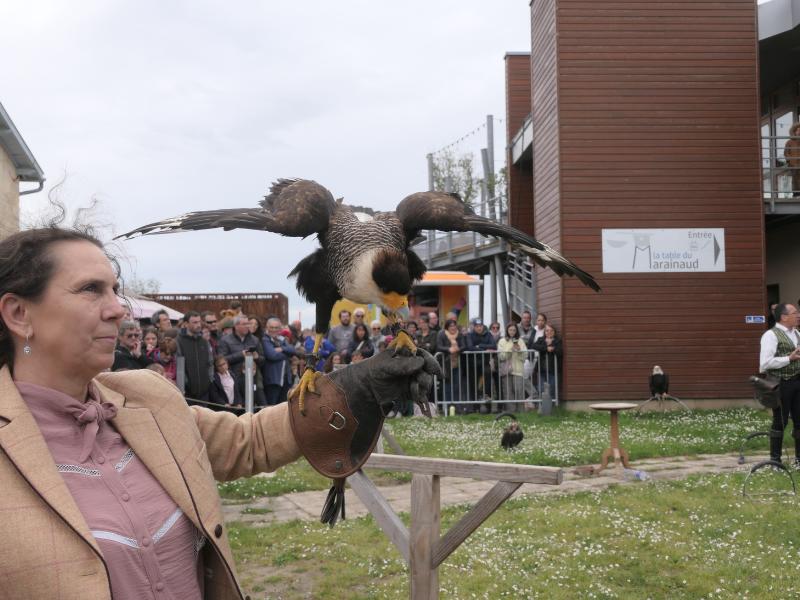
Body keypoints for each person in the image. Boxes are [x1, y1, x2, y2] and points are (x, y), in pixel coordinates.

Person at [0, 226, 304, 598]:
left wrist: (348, 393)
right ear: (19, 314)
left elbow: (247, 441)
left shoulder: (146, 397)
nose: (117, 309)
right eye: (91, 289)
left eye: (114, 289)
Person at [759, 302, 800, 464]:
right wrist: (788, 358)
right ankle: (775, 460)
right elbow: (765, 363)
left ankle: (799, 460)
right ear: (784, 317)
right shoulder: (771, 335)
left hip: (797, 382)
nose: (798, 315)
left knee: (799, 421)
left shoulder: (797, 333)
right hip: (781, 384)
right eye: (795, 313)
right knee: (780, 422)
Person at [217, 315, 265, 397]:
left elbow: (263, 360)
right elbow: (221, 360)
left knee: (260, 403)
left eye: (248, 324)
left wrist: (257, 357)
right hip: (233, 380)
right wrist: (240, 355)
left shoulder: (254, 340)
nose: (247, 326)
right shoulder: (225, 340)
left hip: (252, 380)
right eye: (244, 324)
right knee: (238, 405)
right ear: (236, 326)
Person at [176, 310, 214, 401]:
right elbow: (179, 365)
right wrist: (186, 384)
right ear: (186, 324)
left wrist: (209, 380)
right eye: (195, 322)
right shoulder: (179, 341)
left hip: (204, 392)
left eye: (199, 322)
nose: (199, 325)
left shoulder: (204, 341)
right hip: (187, 393)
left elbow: (210, 362)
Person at [262, 317, 297, 404]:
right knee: (272, 407)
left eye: (276, 327)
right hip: (273, 380)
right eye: (271, 327)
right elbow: (272, 355)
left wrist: (281, 349)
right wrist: (287, 354)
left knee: (283, 406)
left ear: (280, 329)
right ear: (267, 327)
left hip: (285, 379)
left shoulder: (282, 339)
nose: (274, 330)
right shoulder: (265, 339)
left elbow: (293, 350)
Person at [436, 318, 467, 410]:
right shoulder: (442, 334)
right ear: (447, 327)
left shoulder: (459, 334)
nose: (453, 327)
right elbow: (439, 346)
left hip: (457, 364)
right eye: (450, 326)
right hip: (446, 364)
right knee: (447, 386)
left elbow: (464, 346)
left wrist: (458, 349)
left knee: (457, 386)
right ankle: (447, 407)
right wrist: (448, 349)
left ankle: (456, 407)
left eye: (454, 325)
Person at [497, 322, 528, 407]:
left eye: (514, 330)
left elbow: (525, 356)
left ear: (516, 331)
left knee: (519, 391)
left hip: (518, 370)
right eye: (510, 330)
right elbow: (501, 356)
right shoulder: (502, 341)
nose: (512, 332)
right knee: (508, 392)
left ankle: (521, 411)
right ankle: (510, 411)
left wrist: (519, 351)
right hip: (506, 370)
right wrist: (510, 350)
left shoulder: (520, 341)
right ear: (507, 330)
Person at [467, 318, 496, 403]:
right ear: (474, 327)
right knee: (473, 385)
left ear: (483, 326)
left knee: (488, 381)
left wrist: (480, 346)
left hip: (485, 362)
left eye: (480, 326)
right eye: (477, 326)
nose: (479, 328)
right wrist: (484, 350)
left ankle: (488, 403)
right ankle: (475, 406)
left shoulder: (488, 334)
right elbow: (470, 347)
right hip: (473, 364)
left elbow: (494, 346)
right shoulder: (470, 335)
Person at [532, 323, 563, 396]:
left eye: (551, 330)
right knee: (541, 388)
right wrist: (546, 348)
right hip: (541, 369)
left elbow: (560, 351)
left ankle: (552, 403)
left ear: (554, 332)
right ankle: (542, 402)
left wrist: (552, 347)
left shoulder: (557, 341)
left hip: (553, 370)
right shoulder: (541, 339)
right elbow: (534, 346)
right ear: (544, 332)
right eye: (547, 330)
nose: (549, 332)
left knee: (552, 389)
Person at [785, 122, 800, 197]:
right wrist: (790, 161)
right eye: (798, 130)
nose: (799, 132)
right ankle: (796, 193)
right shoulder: (789, 142)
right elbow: (786, 152)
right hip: (793, 164)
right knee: (795, 179)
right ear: (794, 131)